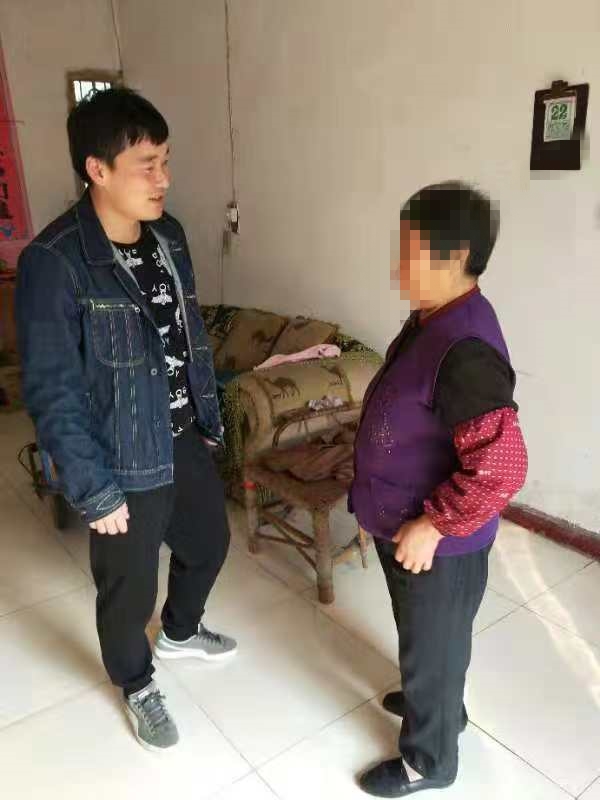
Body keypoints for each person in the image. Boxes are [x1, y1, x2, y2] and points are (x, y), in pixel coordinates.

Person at [16, 87, 237, 752]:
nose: (163, 178)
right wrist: (93, 488)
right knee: (126, 589)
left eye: (166, 160)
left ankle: (180, 631)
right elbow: (52, 388)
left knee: (209, 543)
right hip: (118, 457)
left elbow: (187, 334)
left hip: (181, 434)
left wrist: (205, 414)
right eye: (147, 164)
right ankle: (136, 681)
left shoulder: (169, 237)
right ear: (98, 169)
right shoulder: (54, 262)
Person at [350, 182, 528, 796]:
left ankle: (429, 761)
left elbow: (502, 467)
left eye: (409, 252)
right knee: (430, 639)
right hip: (408, 529)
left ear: (454, 258)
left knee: (435, 641)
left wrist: (434, 525)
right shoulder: (436, 316)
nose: (396, 266)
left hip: (437, 542)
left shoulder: (466, 349)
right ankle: (439, 703)